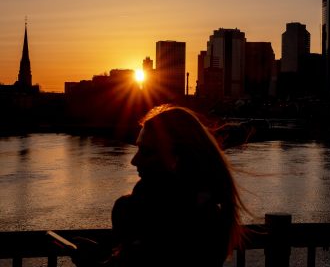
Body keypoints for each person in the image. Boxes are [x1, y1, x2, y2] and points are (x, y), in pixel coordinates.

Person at [73, 105, 247, 266]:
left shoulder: (138, 211)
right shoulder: (210, 213)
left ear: (179, 158)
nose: (134, 160)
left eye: (147, 152)